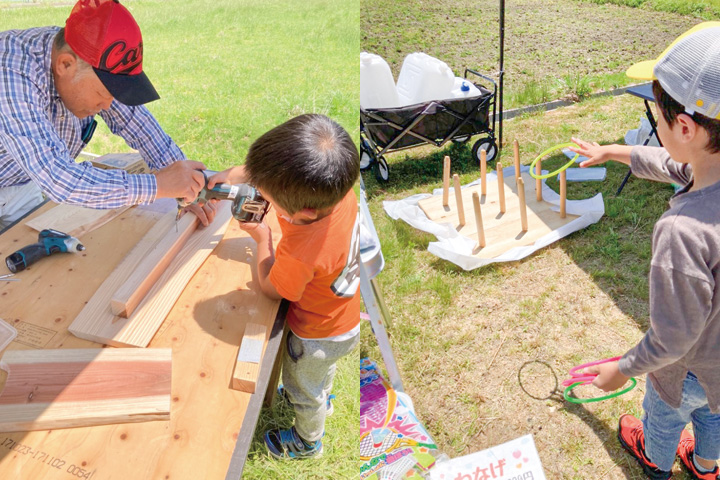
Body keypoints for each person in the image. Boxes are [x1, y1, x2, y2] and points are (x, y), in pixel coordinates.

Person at [569, 23, 720, 480]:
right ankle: (707, 464)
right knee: (714, 417)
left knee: (666, 412)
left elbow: (673, 340)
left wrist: (623, 368)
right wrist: (613, 151)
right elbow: (670, 163)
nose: (656, 129)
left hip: (688, 370)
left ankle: (655, 460)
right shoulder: (705, 170)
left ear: (685, 127)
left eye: (657, 121)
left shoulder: (683, 231)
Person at [211, 114, 360, 459]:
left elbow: (271, 288)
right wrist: (232, 176)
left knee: (300, 387)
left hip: (315, 335)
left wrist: (261, 238)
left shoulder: (303, 251)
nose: (261, 195)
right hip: (342, 320)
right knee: (320, 374)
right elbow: (279, 173)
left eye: (267, 196)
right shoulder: (339, 190)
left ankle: (309, 440)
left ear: (302, 213)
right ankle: (321, 393)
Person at [0, 0, 215, 230]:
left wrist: (186, 183)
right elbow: (60, 179)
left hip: (20, 183)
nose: (108, 105)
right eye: (103, 93)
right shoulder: (10, 75)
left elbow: (138, 124)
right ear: (65, 64)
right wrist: (157, 185)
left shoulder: (84, 55)